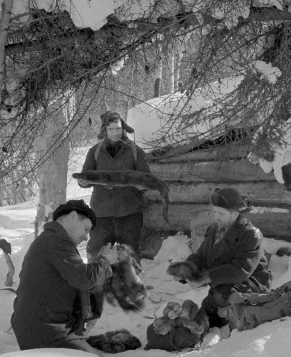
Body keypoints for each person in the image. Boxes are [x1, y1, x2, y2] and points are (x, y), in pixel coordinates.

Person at [11, 199, 119, 352]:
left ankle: (78, 340)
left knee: (95, 290)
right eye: (86, 229)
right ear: (73, 216)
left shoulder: (51, 239)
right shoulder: (57, 240)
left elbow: (80, 276)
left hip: (40, 326)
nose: (86, 237)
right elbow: (84, 279)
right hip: (47, 331)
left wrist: (101, 264)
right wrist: (106, 259)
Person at [168, 188, 272, 330]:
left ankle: (238, 320)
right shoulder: (214, 230)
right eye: (215, 212)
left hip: (249, 284)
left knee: (222, 297)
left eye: (221, 213)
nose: (216, 217)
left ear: (235, 213)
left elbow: (240, 270)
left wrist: (205, 278)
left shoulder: (251, 235)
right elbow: (202, 256)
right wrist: (187, 269)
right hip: (222, 283)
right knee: (206, 314)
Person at [78, 111, 152, 260]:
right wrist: (82, 182)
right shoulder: (95, 151)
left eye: (118, 128)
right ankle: (99, 283)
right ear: (105, 130)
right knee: (97, 255)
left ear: (123, 128)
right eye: (111, 129)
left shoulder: (135, 151)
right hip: (101, 214)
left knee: (131, 257)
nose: (115, 132)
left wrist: (142, 185)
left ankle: (132, 283)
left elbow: (146, 178)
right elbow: (86, 175)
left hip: (130, 212)